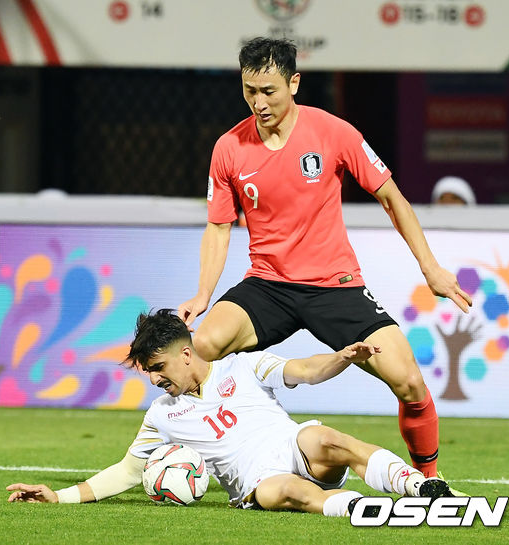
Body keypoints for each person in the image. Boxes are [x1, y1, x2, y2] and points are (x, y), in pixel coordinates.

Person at [177, 37, 473, 479]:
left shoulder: (334, 132)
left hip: (335, 287)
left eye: (269, 91)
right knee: (199, 349)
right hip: (268, 286)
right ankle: (203, 455)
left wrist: (430, 267)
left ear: (294, 83)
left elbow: (392, 198)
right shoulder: (229, 148)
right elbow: (219, 227)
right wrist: (203, 293)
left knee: (409, 381)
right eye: (249, 91)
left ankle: (429, 480)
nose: (259, 103)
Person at [7, 309, 454, 516]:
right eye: (148, 372)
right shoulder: (162, 415)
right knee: (288, 491)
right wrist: (59, 496)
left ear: (185, 354)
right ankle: (368, 511)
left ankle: (420, 486)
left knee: (326, 439)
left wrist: (342, 357)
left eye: (158, 368)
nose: (154, 379)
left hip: (294, 448)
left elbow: (305, 370)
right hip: (258, 483)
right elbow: (126, 472)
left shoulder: (243, 365)